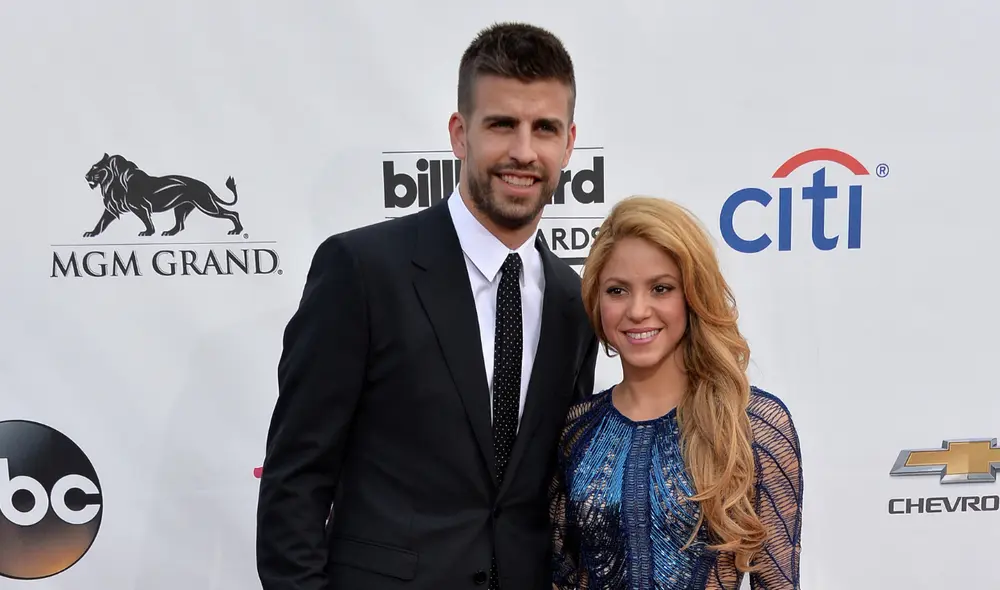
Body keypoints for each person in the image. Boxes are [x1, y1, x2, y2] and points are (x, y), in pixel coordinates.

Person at [255, 22, 599, 590]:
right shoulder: (362, 270)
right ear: (460, 134)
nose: (523, 150)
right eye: (501, 125)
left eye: (544, 128)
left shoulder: (575, 301)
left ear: (568, 143)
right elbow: (295, 481)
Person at [549, 196, 804, 589]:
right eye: (617, 291)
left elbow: (778, 582)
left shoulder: (750, 424)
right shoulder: (577, 430)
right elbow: (564, 577)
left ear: (691, 296)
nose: (637, 310)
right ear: (597, 302)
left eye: (661, 288)